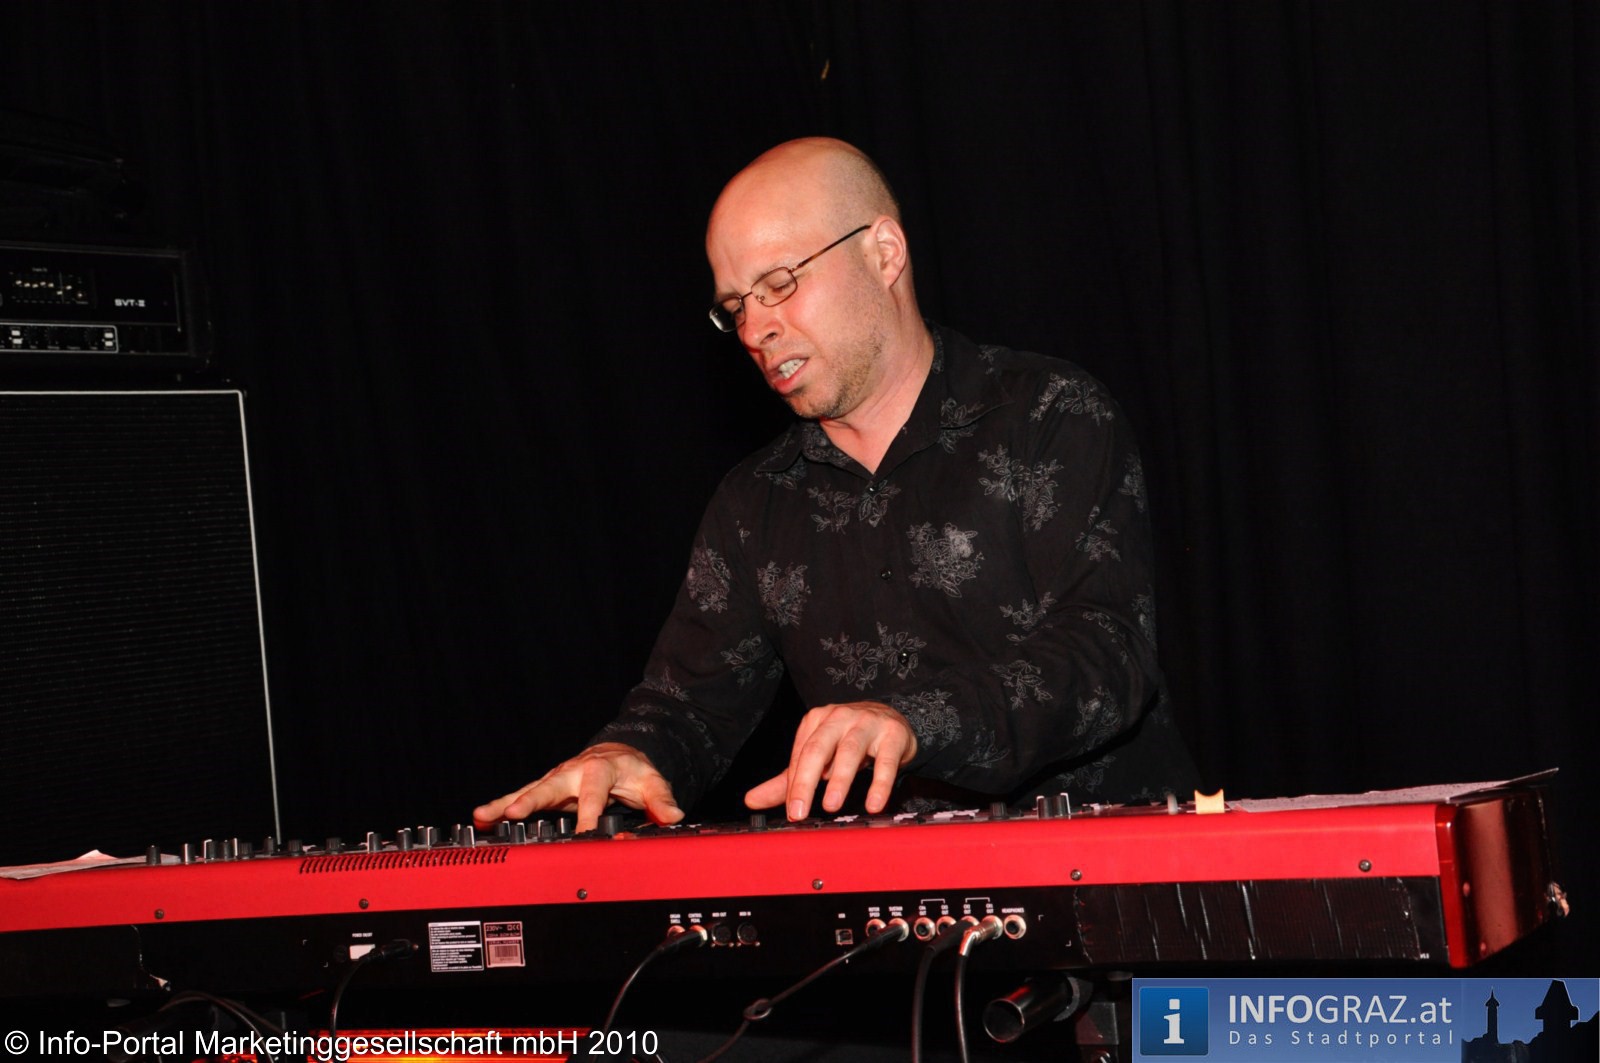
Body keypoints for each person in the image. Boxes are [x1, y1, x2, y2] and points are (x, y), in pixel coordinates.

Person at [475, 137, 1196, 833]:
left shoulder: (1047, 413)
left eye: (778, 285)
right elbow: (688, 707)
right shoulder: (754, 504)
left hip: (1107, 878)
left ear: (884, 253)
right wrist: (627, 755)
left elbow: (1106, 653)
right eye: (736, 307)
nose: (755, 329)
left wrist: (915, 722)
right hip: (892, 900)